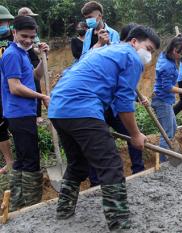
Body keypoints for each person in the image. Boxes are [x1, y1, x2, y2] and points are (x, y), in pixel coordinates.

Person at [48, 25, 160, 230]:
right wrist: (135, 135)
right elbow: (125, 102)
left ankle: (63, 212)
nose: (148, 55)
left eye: (152, 52)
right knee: (110, 165)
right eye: (149, 48)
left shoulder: (103, 50)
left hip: (58, 108)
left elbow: (76, 75)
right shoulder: (131, 57)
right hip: (82, 107)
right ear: (134, 42)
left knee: (78, 164)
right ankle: (120, 224)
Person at [86, 23, 145, 188]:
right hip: (96, 105)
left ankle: (139, 171)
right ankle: (96, 183)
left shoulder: (129, 57)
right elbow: (87, 59)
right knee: (96, 143)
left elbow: (124, 85)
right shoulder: (104, 50)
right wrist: (98, 44)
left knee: (133, 133)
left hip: (113, 107)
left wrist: (138, 97)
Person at [1, 16, 49, 211]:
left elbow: (35, 76)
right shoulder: (12, 54)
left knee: (22, 158)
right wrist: (42, 96)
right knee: (30, 159)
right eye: (24, 36)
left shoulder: (23, 53)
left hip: (24, 112)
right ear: (14, 33)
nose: (28, 40)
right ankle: (32, 207)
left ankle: (17, 202)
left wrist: (44, 57)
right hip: (19, 113)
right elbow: (15, 87)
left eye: (32, 37)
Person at [151, 36, 182, 162]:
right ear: (174, 51)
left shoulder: (165, 54)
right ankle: (163, 162)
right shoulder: (167, 66)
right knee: (167, 133)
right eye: (181, 53)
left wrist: (178, 40)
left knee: (173, 127)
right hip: (161, 101)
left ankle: (167, 157)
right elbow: (167, 87)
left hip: (165, 100)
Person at [17, 7, 46, 124]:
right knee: (23, 86)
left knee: (36, 85)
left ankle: (37, 114)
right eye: (30, 16)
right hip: (24, 60)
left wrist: (41, 51)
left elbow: (34, 46)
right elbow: (28, 47)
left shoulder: (33, 30)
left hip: (33, 60)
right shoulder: (18, 32)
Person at [0, 5, 14, 175]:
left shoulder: (16, 37)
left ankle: (26, 159)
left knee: (17, 123)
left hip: (14, 88)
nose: (4, 24)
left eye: (6, 22)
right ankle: (9, 161)